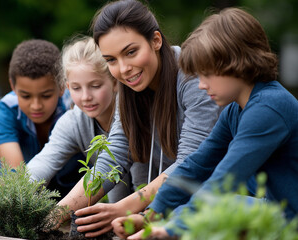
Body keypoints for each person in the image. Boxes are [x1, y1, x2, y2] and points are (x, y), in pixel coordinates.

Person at [112, 7, 298, 239]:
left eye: (207, 74)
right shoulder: (234, 110)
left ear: (236, 63)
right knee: (189, 205)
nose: (201, 85)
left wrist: (169, 230)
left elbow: (226, 177)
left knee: (214, 208)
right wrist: (152, 215)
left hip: (290, 218)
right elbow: (196, 165)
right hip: (275, 209)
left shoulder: (269, 107)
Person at [56, 0, 221, 237]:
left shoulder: (192, 75)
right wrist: (56, 213)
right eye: (111, 60)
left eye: (131, 52)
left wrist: (121, 208)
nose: (123, 69)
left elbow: (190, 163)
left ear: (155, 40)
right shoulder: (129, 88)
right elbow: (113, 158)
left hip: (221, 202)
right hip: (170, 209)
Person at [27, 36, 149, 203]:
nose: (86, 97)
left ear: (115, 82)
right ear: (68, 87)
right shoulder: (73, 122)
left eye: (95, 86)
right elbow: (45, 162)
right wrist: (11, 191)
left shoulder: (132, 110)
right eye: (76, 88)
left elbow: (138, 173)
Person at [0, 39, 78, 197]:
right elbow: (15, 178)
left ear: (63, 86)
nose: (36, 105)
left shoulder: (76, 105)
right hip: (27, 193)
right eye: (26, 96)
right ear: (13, 86)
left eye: (46, 96)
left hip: (73, 191)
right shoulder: (7, 110)